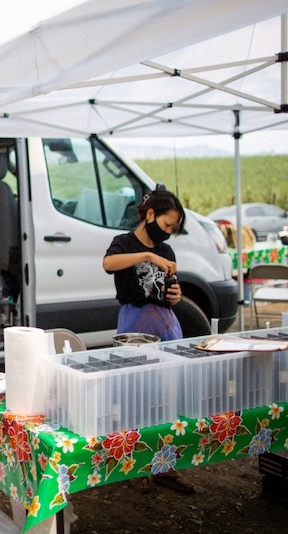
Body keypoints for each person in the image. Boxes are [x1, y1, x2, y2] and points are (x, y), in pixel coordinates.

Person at [102, 187, 196, 494]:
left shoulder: (166, 252)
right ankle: (134, 464)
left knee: (167, 397)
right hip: (134, 327)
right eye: (167, 226)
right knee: (134, 399)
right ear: (151, 215)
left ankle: (166, 465)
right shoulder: (124, 244)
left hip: (166, 326)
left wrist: (177, 295)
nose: (168, 234)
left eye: (173, 229)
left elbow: (170, 290)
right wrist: (146, 254)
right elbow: (108, 264)